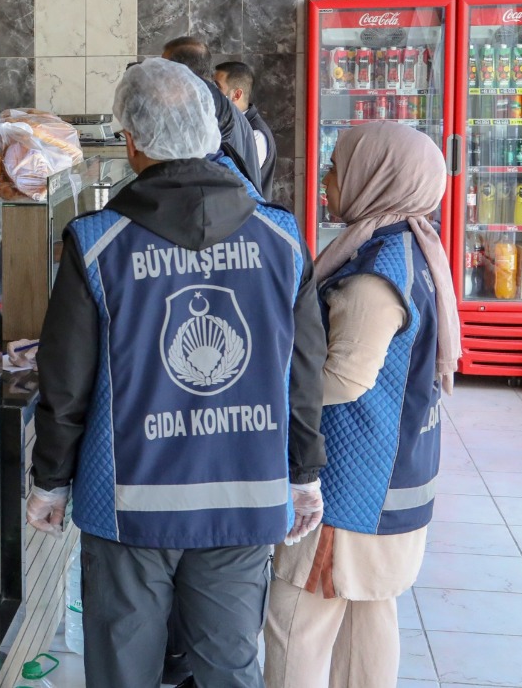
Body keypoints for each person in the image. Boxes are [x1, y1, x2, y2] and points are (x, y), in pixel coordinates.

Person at [27, 58, 328, 688]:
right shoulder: (281, 239)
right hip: (245, 496)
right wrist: (303, 473)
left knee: (123, 667)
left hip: (129, 504)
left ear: (132, 142)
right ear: (211, 132)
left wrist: (50, 481)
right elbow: (303, 371)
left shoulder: (96, 243)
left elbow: (66, 381)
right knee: (228, 665)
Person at [262, 123, 459, 688]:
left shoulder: (375, 273)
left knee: (297, 622)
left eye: (337, 168)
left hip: (350, 492)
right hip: (397, 478)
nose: (326, 179)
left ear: (379, 178)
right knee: (368, 619)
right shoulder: (413, 246)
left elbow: (345, 378)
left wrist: (267, 396)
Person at [162, 36, 263, 195]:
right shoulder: (216, 103)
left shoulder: (205, 110)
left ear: (178, 73)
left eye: (163, 69)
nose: (159, 77)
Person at [215, 60, 278, 192]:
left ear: (236, 94)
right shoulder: (227, 124)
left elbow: (240, 182)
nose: (213, 94)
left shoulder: (257, 134)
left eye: (218, 88)